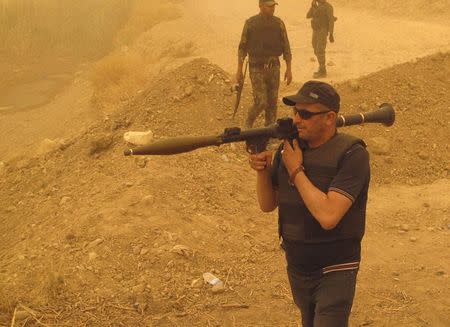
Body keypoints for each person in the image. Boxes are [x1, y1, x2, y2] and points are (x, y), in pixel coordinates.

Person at [248, 80, 370, 326]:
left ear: (329, 118)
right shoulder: (290, 150)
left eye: (305, 114)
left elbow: (328, 216)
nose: (296, 120)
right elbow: (267, 204)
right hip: (298, 268)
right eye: (295, 112)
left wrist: (296, 172)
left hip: (336, 266)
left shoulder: (352, 154)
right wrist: (263, 169)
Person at [237, 0, 292, 128]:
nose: (272, 8)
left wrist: (289, 69)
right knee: (261, 102)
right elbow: (242, 47)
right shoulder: (250, 23)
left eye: (273, 6)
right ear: (261, 6)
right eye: (269, 6)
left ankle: (270, 131)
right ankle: (248, 124)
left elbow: (286, 46)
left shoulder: (278, 23)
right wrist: (239, 70)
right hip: (256, 68)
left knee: (272, 103)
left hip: (274, 67)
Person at [307, 0, 336, 78]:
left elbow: (331, 21)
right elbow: (308, 16)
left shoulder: (328, 7)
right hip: (315, 30)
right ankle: (321, 66)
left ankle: (322, 71)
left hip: (323, 30)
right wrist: (312, 7)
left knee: (320, 49)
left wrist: (331, 33)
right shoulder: (315, 6)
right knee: (315, 47)